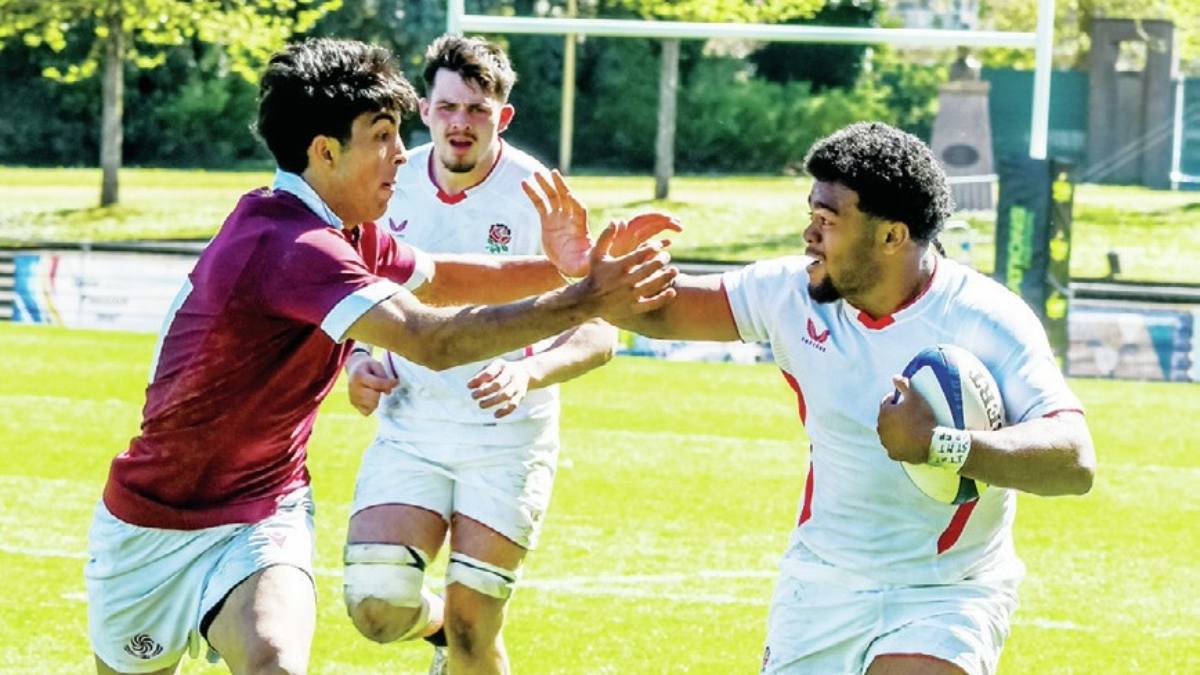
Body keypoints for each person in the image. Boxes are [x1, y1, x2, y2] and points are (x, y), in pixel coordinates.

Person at [84, 37, 678, 675]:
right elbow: (434, 339)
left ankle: (454, 631)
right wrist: (588, 297)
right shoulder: (291, 244)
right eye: (384, 136)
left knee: (275, 664)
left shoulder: (347, 231)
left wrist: (568, 271)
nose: (403, 154)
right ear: (325, 151)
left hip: (263, 511)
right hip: (150, 525)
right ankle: (447, 626)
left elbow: (446, 277)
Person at [526, 122, 1096, 675]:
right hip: (822, 584)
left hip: (947, 592)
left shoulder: (986, 318)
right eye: (811, 215)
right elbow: (659, 312)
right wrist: (589, 273)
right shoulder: (789, 293)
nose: (810, 234)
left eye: (828, 219)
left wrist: (938, 446)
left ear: (892, 235)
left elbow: (1074, 460)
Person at [337, 35, 650, 675]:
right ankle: (440, 633)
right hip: (412, 428)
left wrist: (526, 370)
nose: (460, 124)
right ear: (424, 110)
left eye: (477, 111)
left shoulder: (541, 196)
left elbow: (600, 332)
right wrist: (354, 363)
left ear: (502, 117)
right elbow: (344, 289)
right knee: (377, 607)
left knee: (477, 634)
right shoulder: (386, 186)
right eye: (448, 108)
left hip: (508, 440)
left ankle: (459, 637)